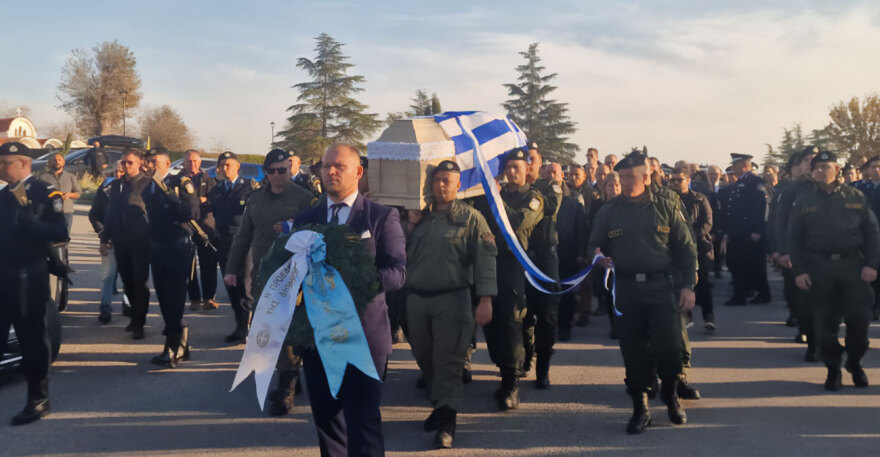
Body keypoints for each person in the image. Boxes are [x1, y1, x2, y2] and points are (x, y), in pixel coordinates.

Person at [290, 143, 406, 457]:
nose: (330, 172)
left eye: (339, 166)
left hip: (364, 338)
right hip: (319, 338)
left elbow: (397, 272)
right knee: (329, 424)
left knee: (363, 425)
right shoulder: (306, 217)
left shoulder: (381, 217)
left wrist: (358, 283)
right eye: (325, 166)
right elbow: (293, 270)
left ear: (358, 172)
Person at [588, 151, 697, 434]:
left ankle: (671, 396)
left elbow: (686, 247)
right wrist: (597, 256)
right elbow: (593, 245)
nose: (624, 182)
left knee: (670, 348)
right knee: (633, 350)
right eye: (621, 177)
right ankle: (641, 407)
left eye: (629, 177)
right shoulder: (609, 211)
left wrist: (688, 286)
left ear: (646, 177)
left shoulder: (667, 203)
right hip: (626, 289)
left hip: (662, 287)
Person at [404, 160, 496, 449]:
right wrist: (408, 225)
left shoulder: (471, 219)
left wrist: (485, 300)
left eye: (448, 180)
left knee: (449, 362)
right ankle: (439, 405)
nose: (442, 185)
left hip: (452, 300)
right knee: (425, 358)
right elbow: (399, 253)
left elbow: (485, 262)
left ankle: (447, 420)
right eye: (437, 180)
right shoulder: (419, 219)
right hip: (417, 300)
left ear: (459, 185)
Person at [225, 149, 318, 416]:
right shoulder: (255, 200)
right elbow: (243, 237)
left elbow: (319, 235)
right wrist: (232, 269)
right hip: (263, 275)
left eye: (283, 170)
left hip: (293, 275)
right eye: (273, 171)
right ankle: (290, 376)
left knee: (286, 331)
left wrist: (294, 228)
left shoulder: (305, 200)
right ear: (265, 173)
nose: (278, 176)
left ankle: (287, 385)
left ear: (290, 170)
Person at [789, 151, 879, 390]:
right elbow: (794, 239)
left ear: (837, 170)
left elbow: (872, 234)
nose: (819, 171)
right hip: (820, 268)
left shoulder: (855, 196)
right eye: (816, 167)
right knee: (824, 324)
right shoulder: (805, 201)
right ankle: (833, 369)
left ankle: (855, 362)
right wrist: (799, 270)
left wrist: (872, 264)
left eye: (825, 167)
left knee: (859, 321)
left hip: (854, 267)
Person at [0, 142, 68, 425]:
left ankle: (38, 399)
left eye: (6, 163)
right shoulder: (3, 195)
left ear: (24, 163)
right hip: (4, 274)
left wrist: (33, 226)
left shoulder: (44, 193)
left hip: (29, 276)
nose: (1, 168)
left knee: (32, 339)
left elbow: (60, 231)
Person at [483, 147, 543, 410]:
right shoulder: (496, 194)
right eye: (508, 167)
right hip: (489, 261)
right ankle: (503, 367)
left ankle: (512, 381)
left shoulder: (533, 197)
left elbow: (518, 221)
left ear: (527, 168)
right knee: (491, 321)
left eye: (516, 166)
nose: (511, 171)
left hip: (513, 263)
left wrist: (495, 196)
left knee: (510, 319)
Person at [141, 148, 199, 368]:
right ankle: (180, 340)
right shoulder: (149, 187)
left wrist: (168, 194)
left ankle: (173, 347)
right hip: (157, 248)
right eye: (148, 161)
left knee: (174, 299)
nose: (150, 165)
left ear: (167, 163)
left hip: (177, 248)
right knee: (164, 299)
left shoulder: (180, 182)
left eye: (155, 161)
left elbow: (190, 213)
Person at [99, 149, 152, 340]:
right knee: (128, 282)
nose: (126, 166)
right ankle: (133, 317)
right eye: (124, 163)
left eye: (130, 162)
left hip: (140, 241)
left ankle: (139, 322)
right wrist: (104, 239)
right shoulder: (116, 185)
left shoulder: (147, 184)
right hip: (121, 241)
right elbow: (110, 213)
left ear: (139, 163)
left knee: (140, 282)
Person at [206, 151, 258, 344]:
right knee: (231, 284)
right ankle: (239, 326)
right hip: (224, 241)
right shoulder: (217, 190)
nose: (225, 168)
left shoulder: (249, 187)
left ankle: (246, 327)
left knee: (245, 284)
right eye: (222, 165)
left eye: (229, 165)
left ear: (237, 166)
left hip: (243, 242)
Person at [771, 147, 818, 359]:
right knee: (803, 299)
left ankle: (825, 338)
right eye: (807, 160)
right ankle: (810, 337)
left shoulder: (834, 189)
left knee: (829, 301)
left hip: (828, 254)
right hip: (800, 252)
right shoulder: (791, 190)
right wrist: (782, 250)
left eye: (814, 160)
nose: (811, 163)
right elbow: (779, 222)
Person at [522, 145, 562, 388]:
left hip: (545, 259)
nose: (528, 163)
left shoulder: (550, 187)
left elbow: (552, 207)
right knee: (522, 313)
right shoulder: (510, 190)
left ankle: (543, 367)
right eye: (524, 159)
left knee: (547, 315)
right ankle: (527, 354)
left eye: (532, 159)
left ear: (541, 164)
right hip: (521, 257)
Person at [719, 153, 771, 305]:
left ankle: (762, 294)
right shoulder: (739, 183)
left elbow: (760, 208)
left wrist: (757, 230)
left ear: (745, 166)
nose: (733, 168)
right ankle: (740, 294)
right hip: (738, 232)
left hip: (749, 232)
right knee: (737, 264)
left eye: (736, 165)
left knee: (755, 266)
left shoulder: (755, 182)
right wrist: (729, 231)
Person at [668, 168, 715, 331]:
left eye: (678, 180)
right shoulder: (667, 200)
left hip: (699, 247)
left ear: (688, 181)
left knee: (702, 282)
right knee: (681, 282)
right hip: (675, 249)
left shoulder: (699, 199)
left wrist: (688, 236)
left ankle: (708, 316)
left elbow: (707, 223)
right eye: (671, 180)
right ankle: (686, 315)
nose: (674, 183)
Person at [88, 160, 131, 324]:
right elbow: (94, 215)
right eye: (117, 172)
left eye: (122, 172)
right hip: (110, 241)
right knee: (108, 277)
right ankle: (105, 308)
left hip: (129, 241)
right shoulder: (105, 190)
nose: (119, 175)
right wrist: (103, 234)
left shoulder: (136, 188)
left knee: (129, 277)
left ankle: (128, 305)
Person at [556, 163, 587, 342]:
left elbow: (581, 227)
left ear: (562, 175)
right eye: (549, 172)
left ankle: (565, 326)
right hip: (547, 253)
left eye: (556, 172)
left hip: (568, 252)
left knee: (567, 293)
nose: (552, 175)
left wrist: (582, 251)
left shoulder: (575, 199)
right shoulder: (539, 196)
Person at [36, 152, 81, 232]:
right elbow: (37, 195)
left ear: (63, 162)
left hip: (66, 211)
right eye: (54, 160)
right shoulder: (43, 177)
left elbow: (79, 193)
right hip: (49, 212)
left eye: (59, 160)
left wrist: (70, 195)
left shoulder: (70, 177)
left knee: (65, 236)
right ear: (50, 162)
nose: (57, 162)